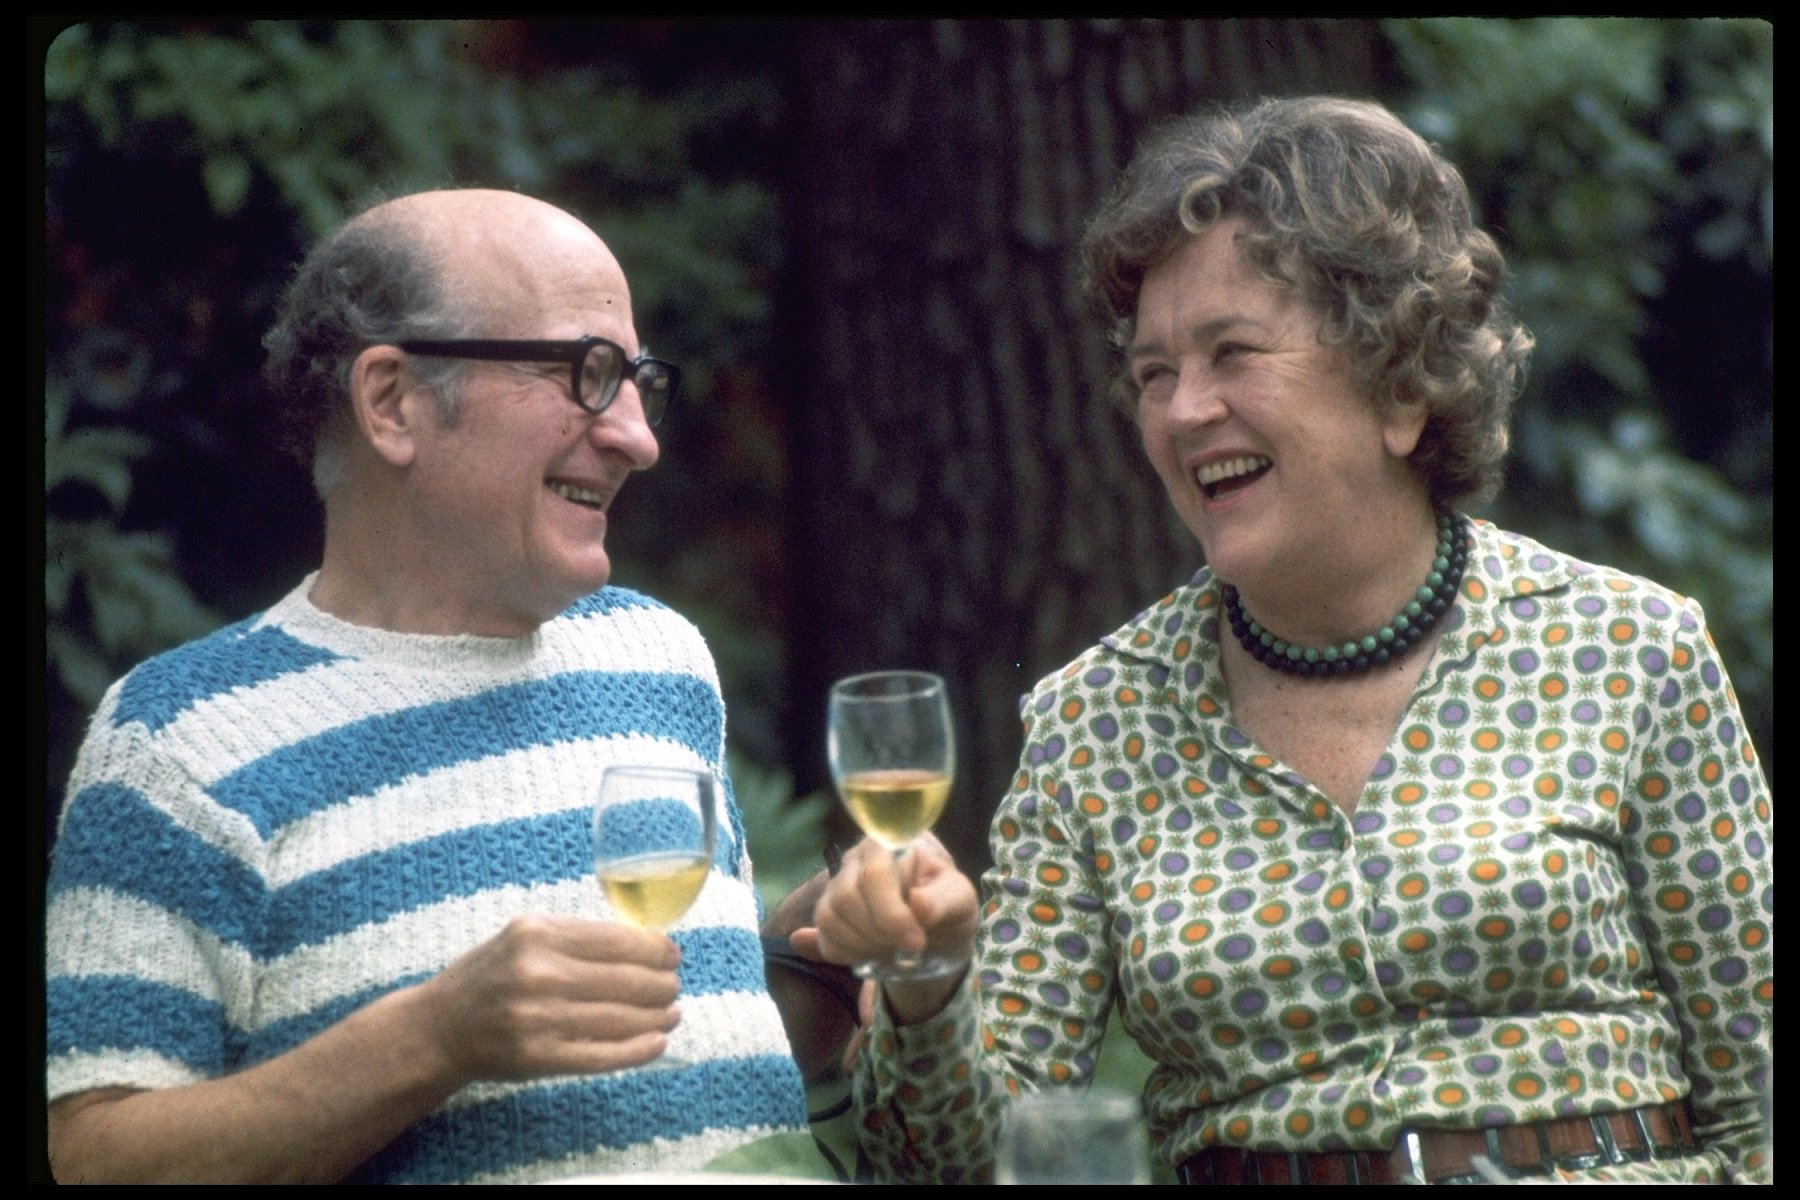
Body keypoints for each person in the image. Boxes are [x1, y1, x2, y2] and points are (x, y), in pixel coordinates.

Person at [808, 96, 1772, 1184]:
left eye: (1232, 353)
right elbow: (959, 1171)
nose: (1181, 412)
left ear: (1401, 384)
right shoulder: (1095, 722)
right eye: (1155, 373)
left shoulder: (1630, 650)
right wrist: (933, 986)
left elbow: (1764, 1104)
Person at [44, 188, 809, 1183]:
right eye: (587, 374)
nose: (637, 436)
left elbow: (679, 1056)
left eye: (636, 382)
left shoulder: (662, 661)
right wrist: (431, 1040)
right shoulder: (179, 739)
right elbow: (91, 1157)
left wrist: (812, 963)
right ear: (392, 402)